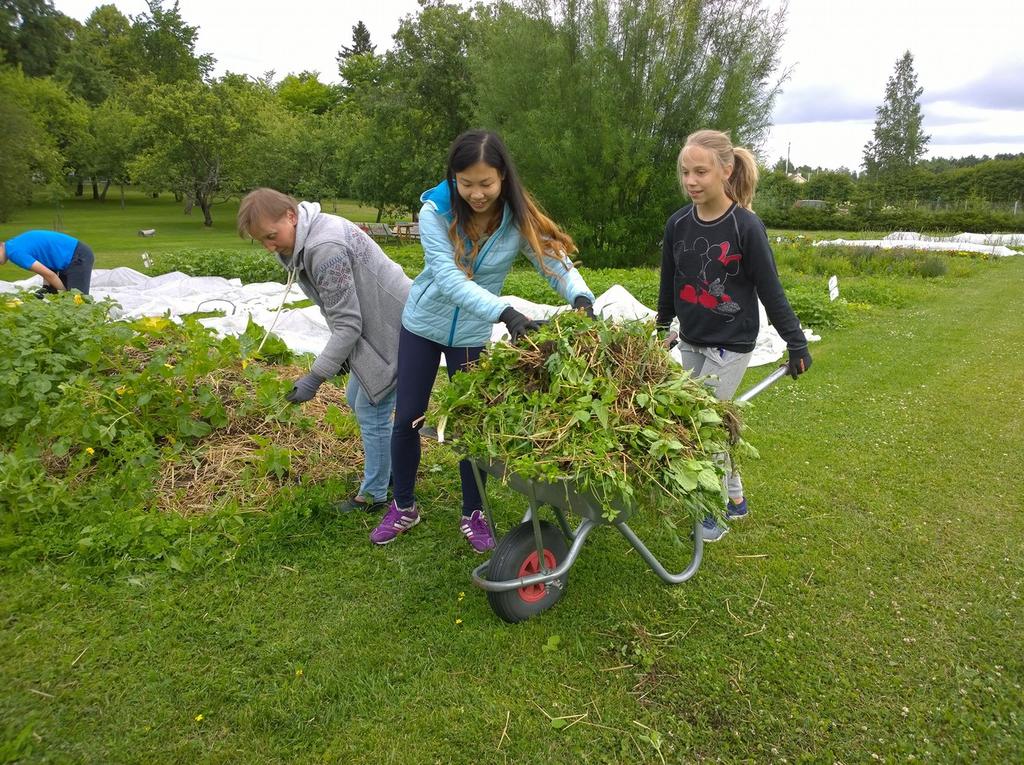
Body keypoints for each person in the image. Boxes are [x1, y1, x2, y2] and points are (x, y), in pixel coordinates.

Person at [372, 129, 596, 551]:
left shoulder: (516, 214)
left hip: (471, 334)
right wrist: (505, 312)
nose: (477, 193)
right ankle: (403, 505)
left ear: (503, 178)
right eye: (467, 183)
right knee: (409, 418)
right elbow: (449, 281)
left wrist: (581, 295)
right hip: (422, 325)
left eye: (486, 184)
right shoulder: (435, 212)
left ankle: (473, 513)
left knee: (471, 426)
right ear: (453, 178)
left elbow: (552, 260)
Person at [656, 129, 812, 542]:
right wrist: (661, 328)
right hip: (692, 339)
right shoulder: (678, 224)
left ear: (726, 170)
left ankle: (712, 512)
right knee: (711, 423)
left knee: (705, 427)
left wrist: (796, 341)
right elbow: (669, 282)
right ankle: (736, 499)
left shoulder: (745, 227)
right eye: (686, 172)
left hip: (732, 343)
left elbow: (770, 290)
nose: (691, 181)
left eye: (701, 172)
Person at [237, 188, 411, 513]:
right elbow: (340, 311)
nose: (269, 246)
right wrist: (343, 356)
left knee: (372, 409)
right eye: (262, 240)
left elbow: (347, 323)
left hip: (396, 326)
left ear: (291, 216)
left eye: (272, 236)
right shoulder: (308, 239)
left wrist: (315, 376)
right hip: (377, 324)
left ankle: (374, 495)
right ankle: (390, 470)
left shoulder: (323, 248)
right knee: (354, 399)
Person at [0, 230, 95, 295]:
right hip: (68, 257)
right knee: (52, 293)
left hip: (77, 257)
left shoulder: (14, 253)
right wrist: (47, 287)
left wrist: (65, 296)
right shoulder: (13, 244)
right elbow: (45, 260)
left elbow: (50, 275)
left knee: (78, 302)